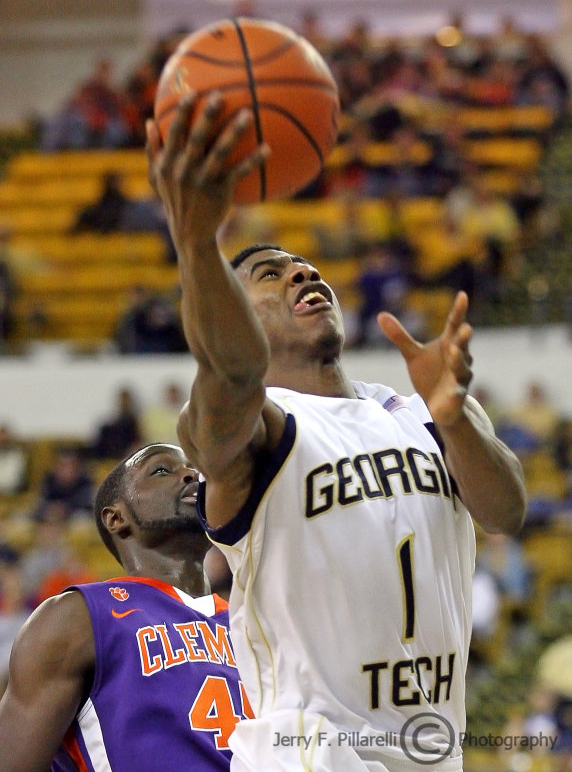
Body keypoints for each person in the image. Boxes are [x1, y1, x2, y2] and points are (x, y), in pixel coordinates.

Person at [146, 91, 527, 771]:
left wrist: (456, 419)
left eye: (307, 266)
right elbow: (228, 382)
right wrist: (199, 247)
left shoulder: (420, 409)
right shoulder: (259, 426)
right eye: (271, 273)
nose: (302, 270)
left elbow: (506, 511)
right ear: (234, 313)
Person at [0, 443, 253, 771]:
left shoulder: (251, 624)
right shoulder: (77, 616)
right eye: (162, 470)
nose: (192, 475)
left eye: (195, 469)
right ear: (116, 517)